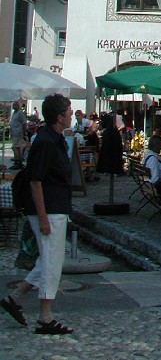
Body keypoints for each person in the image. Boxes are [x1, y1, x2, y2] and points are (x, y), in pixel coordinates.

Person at [0, 93, 74, 335]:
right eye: (69, 111)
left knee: (48, 260)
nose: (72, 114)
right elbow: (35, 181)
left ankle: (15, 298)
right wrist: (42, 217)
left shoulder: (54, 138)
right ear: (60, 116)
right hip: (49, 209)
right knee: (52, 263)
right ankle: (45, 317)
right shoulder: (45, 141)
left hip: (56, 206)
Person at [10, 100, 28, 168]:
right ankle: (18, 162)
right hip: (14, 133)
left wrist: (24, 133)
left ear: (18, 105)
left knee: (15, 147)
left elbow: (24, 123)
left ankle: (17, 162)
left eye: (14, 105)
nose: (13, 106)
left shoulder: (20, 113)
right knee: (17, 148)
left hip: (18, 133)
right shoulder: (14, 112)